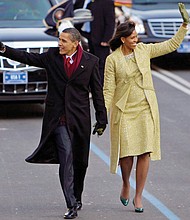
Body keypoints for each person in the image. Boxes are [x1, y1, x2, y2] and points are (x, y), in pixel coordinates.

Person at [0, 27, 107, 219]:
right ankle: (71, 204)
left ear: (75, 43)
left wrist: (102, 118)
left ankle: (77, 196)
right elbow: (28, 58)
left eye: (64, 41)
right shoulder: (51, 56)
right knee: (66, 159)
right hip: (58, 119)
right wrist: (3, 49)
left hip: (79, 120)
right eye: (59, 40)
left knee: (80, 163)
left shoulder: (91, 62)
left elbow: (97, 92)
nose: (59, 44)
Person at [103, 3, 189, 213]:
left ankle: (139, 195)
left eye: (137, 37)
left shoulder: (144, 50)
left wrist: (184, 26)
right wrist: (103, 115)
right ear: (123, 39)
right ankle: (126, 184)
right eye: (133, 38)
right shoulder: (112, 60)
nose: (137, 40)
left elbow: (170, 45)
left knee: (144, 152)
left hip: (145, 108)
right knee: (126, 155)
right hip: (123, 111)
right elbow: (108, 90)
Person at [74, 0, 115, 85]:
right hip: (84, 36)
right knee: (88, 63)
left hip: (100, 38)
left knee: (101, 64)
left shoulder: (106, 2)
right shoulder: (80, 2)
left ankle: (100, 87)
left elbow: (110, 21)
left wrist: (106, 39)